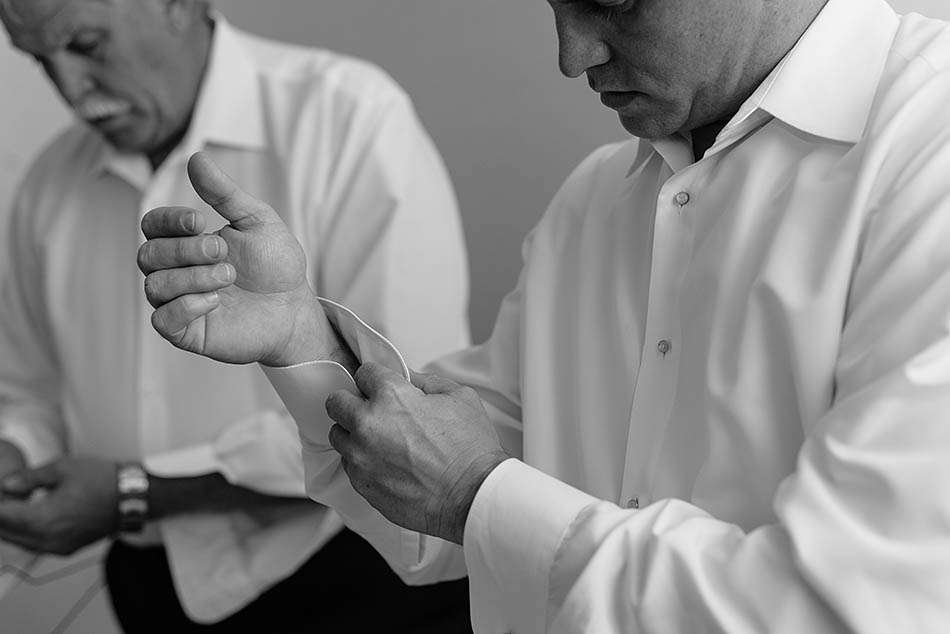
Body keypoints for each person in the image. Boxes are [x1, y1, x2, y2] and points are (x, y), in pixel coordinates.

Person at [140, 0, 950, 631]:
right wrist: (302, 342)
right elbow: (435, 519)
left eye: (613, 2)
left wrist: (475, 494)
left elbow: (841, 609)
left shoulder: (931, 154)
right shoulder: (594, 200)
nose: (572, 56)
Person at [0, 0, 474, 631]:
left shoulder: (349, 118)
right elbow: (30, 390)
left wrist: (137, 492)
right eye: (38, 59)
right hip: (149, 591)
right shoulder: (48, 185)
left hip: (356, 584)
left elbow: (410, 410)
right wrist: (13, 453)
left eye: (86, 45)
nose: (71, 91)